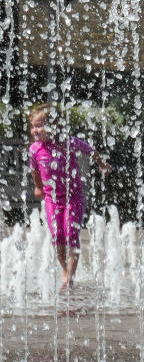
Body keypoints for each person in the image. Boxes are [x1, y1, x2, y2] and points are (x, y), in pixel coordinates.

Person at [27, 104, 110, 290]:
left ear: (53, 125)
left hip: (74, 197)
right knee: (57, 236)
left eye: (39, 125)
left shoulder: (68, 142)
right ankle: (65, 269)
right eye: (33, 126)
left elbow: (90, 150)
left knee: (71, 234)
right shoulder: (34, 149)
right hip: (52, 199)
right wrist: (38, 188)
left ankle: (70, 276)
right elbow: (35, 171)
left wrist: (101, 163)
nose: (35, 130)